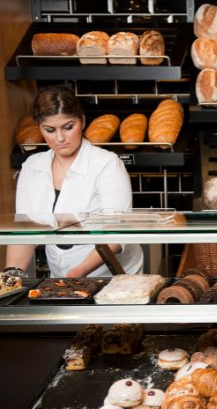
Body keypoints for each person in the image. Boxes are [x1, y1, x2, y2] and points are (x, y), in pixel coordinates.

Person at [4, 86, 143, 278]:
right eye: (50, 130)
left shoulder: (107, 164)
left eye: (68, 127)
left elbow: (117, 236)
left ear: (83, 121)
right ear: (39, 128)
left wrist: (76, 274)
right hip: (60, 272)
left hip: (111, 274)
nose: (60, 138)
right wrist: (11, 276)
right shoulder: (32, 167)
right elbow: (25, 232)